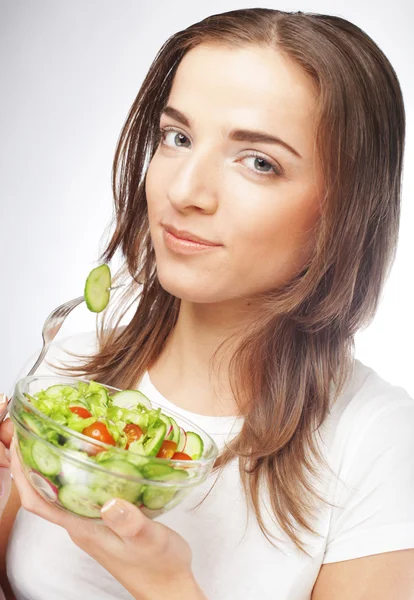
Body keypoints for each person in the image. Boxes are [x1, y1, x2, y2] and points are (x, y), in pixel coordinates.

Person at [1, 6, 414, 599]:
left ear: (345, 209)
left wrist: (166, 586)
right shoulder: (76, 364)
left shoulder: (376, 441)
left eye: (259, 162)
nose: (185, 190)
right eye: (177, 137)